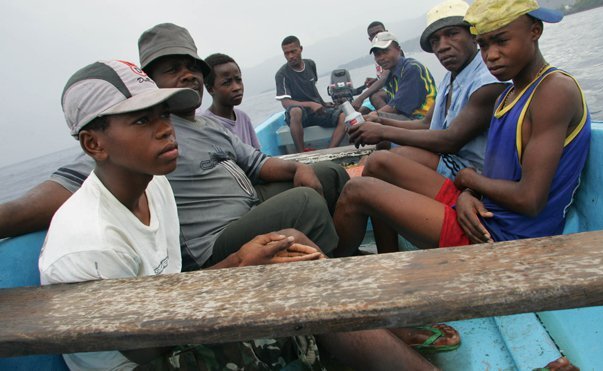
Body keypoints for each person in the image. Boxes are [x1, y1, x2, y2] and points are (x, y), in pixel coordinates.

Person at [41, 59, 438, 371]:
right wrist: (236, 266)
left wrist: (241, 262)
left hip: (167, 319)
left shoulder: (153, 184)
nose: (166, 130)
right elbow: (149, 344)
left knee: (291, 245)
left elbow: (171, 292)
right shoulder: (89, 245)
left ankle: (368, 331)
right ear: (94, 143)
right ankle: (366, 336)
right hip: (146, 360)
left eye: (164, 115)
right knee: (299, 306)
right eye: (143, 120)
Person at [0, 23, 349, 273]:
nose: (188, 76)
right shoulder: (137, 144)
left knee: (329, 173)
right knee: (303, 202)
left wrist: (297, 167)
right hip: (221, 239)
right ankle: (331, 273)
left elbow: (256, 162)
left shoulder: (208, 123)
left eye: (192, 68)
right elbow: (74, 182)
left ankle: (344, 259)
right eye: (172, 69)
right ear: (148, 83)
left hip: (251, 201)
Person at [333, 0, 591, 256]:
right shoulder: (509, 95)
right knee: (378, 164)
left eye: (501, 41)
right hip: (483, 210)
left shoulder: (554, 91)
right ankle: (385, 262)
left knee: (358, 191)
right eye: (484, 44)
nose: (490, 55)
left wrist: (468, 180)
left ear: (535, 31)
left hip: (506, 237)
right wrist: (468, 193)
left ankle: (335, 274)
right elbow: (496, 173)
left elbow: (530, 200)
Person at [349, 0, 506, 180]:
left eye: (452, 34)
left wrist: (382, 131)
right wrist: (380, 121)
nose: (442, 46)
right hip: (450, 158)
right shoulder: (450, 77)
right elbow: (426, 124)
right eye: (435, 40)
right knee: (381, 163)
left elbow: (450, 140)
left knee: (380, 161)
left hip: (474, 172)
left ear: (473, 36)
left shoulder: (488, 81)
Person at [275, 35, 346, 153]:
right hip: (298, 116)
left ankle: (330, 152)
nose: (290, 56)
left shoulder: (310, 65)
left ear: (301, 49)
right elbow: (286, 102)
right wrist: (311, 104)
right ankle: (302, 154)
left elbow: (312, 88)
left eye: (293, 51)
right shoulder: (282, 74)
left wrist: (323, 103)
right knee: (295, 111)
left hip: (316, 112)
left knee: (343, 117)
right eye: (286, 53)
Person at [369, 31, 437, 120]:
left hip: (424, 120)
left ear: (398, 50)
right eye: (377, 54)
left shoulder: (412, 68)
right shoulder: (391, 74)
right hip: (409, 117)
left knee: (372, 123)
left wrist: (372, 116)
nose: (381, 57)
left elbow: (397, 107)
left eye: (385, 51)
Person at [199, 53, 260, 149]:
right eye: (227, 82)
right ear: (210, 89)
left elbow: (258, 154)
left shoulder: (243, 117)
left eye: (238, 79)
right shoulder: (206, 126)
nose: (237, 87)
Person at [351, 21, 393, 114]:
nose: (377, 37)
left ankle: (393, 121)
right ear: (370, 39)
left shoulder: (392, 50)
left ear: (386, 32)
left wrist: (361, 98)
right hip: (386, 91)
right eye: (373, 35)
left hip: (396, 92)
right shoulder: (377, 54)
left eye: (379, 33)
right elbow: (386, 76)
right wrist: (376, 79)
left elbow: (384, 79)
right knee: (360, 113)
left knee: (375, 96)